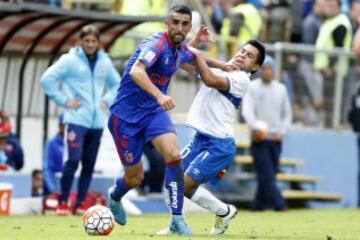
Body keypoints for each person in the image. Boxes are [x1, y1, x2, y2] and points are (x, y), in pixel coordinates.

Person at [106, 4, 220, 236]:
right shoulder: (155, 43)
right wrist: (159, 95)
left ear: (189, 26)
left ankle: (177, 218)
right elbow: (136, 71)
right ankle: (114, 195)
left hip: (153, 113)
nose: (180, 27)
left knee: (174, 155)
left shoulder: (177, 48)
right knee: (135, 178)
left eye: (185, 24)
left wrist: (226, 65)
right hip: (125, 118)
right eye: (175, 22)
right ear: (166, 23)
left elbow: (190, 57)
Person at [157, 39, 265, 236]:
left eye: (250, 56)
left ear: (255, 66)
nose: (243, 55)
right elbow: (180, 62)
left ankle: (224, 211)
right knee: (171, 180)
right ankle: (177, 223)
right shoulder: (224, 70)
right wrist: (195, 44)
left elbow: (209, 80)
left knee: (186, 186)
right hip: (201, 139)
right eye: (242, 51)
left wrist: (198, 54)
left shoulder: (242, 78)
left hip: (219, 145)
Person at [40, 24, 121, 215]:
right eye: (86, 41)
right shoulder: (69, 60)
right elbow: (46, 79)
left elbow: (117, 83)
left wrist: (107, 100)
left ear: (99, 43)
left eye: (93, 41)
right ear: (80, 41)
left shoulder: (105, 62)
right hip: (76, 119)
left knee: (89, 164)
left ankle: (80, 204)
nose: (90, 44)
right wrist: (64, 101)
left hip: (97, 122)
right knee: (73, 161)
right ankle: (62, 203)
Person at [242, 56, 292, 211]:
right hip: (259, 139)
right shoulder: (252, 87)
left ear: (273, 70)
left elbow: (287, 114)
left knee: (269, 174)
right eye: (263, 68)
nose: (267, 71)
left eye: (269, 68)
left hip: (275, 139)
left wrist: (282, 132)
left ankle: (257, 206)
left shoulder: (281, 89)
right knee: (266, 173)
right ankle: (280, 205)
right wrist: (255, 127)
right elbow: (247, 111)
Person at [43, 114, 65, 195]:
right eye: (64, 125)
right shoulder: (51, 142)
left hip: (70, 190)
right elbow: (47, 168)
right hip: (54, 190)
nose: (66, 127)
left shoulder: (75, 144)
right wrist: (52, 189)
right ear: (60, 125)